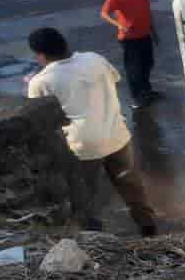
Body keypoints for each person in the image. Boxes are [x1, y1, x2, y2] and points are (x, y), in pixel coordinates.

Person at [25, 27, 159, 237]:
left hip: (81, 147)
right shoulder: (94, 59)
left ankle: (95, 237)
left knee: (85, 195)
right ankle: (148, 226)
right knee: (130, 184)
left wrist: (35, 81)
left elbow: (41, 117)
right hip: (117, 136)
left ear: (40, 55)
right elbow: (112, 80)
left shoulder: (41, 82)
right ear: (65, 43)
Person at [100, 0, 157, 107]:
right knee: (134, 69)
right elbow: (104, 13)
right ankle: (137, 98)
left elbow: (147, 14)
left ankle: (146, 91)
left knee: (147, 64)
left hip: (144, 35)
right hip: (129, 38)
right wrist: (118, 24)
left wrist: (154, 32)